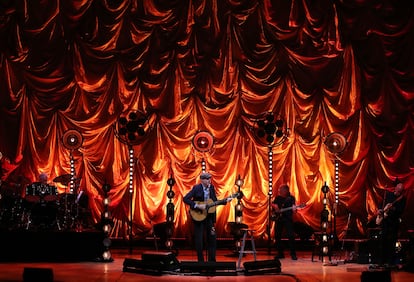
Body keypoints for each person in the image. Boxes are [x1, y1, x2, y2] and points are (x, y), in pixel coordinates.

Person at [183, 172, 230, 262]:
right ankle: (200, 261)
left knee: (212, 238)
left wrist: (225, 201)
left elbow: (215, 201)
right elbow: (185, 199)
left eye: (209, 179)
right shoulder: (196, 188)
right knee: (199, 239)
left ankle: (212, 261)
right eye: (207, 179)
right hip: (198, 217)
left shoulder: (211, 188)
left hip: (209, 217)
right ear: (202, 180)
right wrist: (197, 206)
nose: (209, 180)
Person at [376, 180, 406, 267]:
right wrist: (379, 210)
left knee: (392, 243)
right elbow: (381, 204)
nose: (398, 193)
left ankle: (390, 262)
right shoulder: (388, 195)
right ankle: (381, 261)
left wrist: (393, 209)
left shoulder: (402, 199)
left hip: (394, 223)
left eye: (400, 192)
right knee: (382, 242)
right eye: (397, 190)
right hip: (385, 222)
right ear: (395, 188)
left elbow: (401, 211)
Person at [271, 184, 298, 260]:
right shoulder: (278, 198)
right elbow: (273, 204)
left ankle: (293, 254)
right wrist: (275, 206)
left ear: (286, 190)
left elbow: (293, 207)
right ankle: (280, 253)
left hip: (287, 219)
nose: (279, 191)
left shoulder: (291, 198)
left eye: (281, 190)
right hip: (279, 219)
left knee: (290, 236)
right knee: (277, 236)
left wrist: (294, 209)